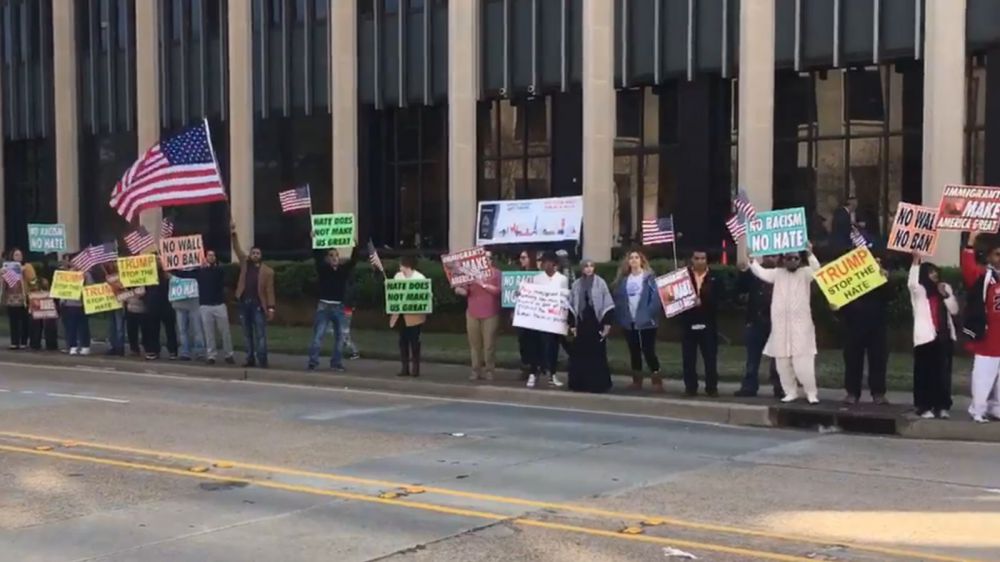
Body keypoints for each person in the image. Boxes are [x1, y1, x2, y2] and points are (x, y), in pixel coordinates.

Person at [750, 245, 821, 404]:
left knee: (804, 364)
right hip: (780, 327)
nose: (792, 261)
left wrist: (810, 253)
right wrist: (751, 260)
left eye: (796, 258)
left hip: (802, 327)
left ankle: (811, 393)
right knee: (782, 364)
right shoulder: (777, 274)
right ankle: (790, 392)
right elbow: (760, 272)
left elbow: (817, 270)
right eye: (789, 258)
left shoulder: (806, 273)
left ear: (800, 260)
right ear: (784, 260)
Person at [908, 255, 958, 419]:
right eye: (930, 273)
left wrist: (946, 295)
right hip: (925, 338)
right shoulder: (920, 291)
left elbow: (954, 310)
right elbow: (912, 283)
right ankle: (924, 406)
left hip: (944, 337)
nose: (934, 275)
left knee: (942, 374)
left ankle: (942, 406)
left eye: (935, 272)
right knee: (925, 373)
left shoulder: (944, 287)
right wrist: (915, 262)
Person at [837, 258, 891, 405]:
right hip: (853, 324)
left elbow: (889, 297)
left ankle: (878, 393)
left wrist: (883, 278)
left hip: (877, 324)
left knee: (878, 360)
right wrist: (836, 306)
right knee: (852, 359)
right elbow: (840, 299)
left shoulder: (880, 277)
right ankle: (852, 393)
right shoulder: (849, 278)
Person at [960, 231, 1000, 423]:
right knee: (984, 375)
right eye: (997, 255)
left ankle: (997, 409)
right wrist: (970, 244)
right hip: (988, 336)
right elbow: (968, 269)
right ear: (989, 256)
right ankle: (978, 409)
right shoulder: (985, 277)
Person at [734, 243, 782, 398]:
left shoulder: (784, 274)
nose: (770, 259)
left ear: (779, 257)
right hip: (756, 320)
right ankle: (749, 387)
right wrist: (744, 268)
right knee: (752, 359)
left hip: (778, 323)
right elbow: (740, 288)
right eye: (768, 255)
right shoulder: (754, 272)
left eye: (774, 256)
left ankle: (780, 387)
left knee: (779, 359)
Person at [612, 250, 662, 392]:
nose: (633, 260)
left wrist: (648, 314)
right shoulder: (624, 280)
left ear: (641, 261)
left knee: (648, 350)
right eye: (631, 258)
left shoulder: (649, 278)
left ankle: (656, 379)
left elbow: (655, 299)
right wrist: (622, 317)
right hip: (630, 321)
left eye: (636, 258)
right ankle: (637, 380)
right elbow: (620, 301)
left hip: (647, 321)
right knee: (634, 351)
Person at [676, 248, 723, 397]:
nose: (700, 261)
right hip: (689, 322)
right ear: (692, 259)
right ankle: (690, 387)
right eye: (697, 258)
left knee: (710, 357)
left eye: (703, 258)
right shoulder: (683, 277)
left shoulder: (715, 277)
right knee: (688, 358)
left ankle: (711, 387)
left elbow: (722, 299)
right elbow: (673, 298)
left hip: (708, 323)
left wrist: (705, 301)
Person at [307, 246, 359, 371]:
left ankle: (336, 362)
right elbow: (317, 257)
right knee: (319, 335)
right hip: (324, 306)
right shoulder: (323, 269)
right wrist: (315, 241)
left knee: (340, 337)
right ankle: (313, 361)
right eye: (331, 255)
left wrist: (355, 246)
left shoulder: (343, 270)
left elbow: (353, 261)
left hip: (339, 307)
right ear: (327, 258)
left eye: (336, 255)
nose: (334, 258)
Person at [232, 222, 276, 368]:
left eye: (258, 253)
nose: (255, 255)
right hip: (244, 303)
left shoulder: (268, 272)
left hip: (258, 306)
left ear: (261, 256)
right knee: (247, 334)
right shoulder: (245, 264)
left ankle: (262, 359)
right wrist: (234, 234)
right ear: (250, 255)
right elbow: (237, 249)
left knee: (260, 334)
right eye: (253, 253)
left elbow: (270, 291)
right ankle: (249, 358)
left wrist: (271, 308)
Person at [567, 259, 614, 393]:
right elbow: (570, 306)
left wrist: (607, 324)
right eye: (586, 266)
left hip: (595, 323)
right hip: (581, 324)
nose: (588, 269)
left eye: (591, 266)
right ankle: (579, 384)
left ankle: (598, 384)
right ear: (582, 269)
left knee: (596, 355)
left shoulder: (601, 283)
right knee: (579, 355)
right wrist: (572, 325)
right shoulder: (576, 284)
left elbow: (608, 304)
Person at [524, 252, 569, 389]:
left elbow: (564, 298)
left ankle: (552, 374)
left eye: (547, 262)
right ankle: (533, 373)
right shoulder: (537, 278)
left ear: (554, 264)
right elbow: (531, 294)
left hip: (554, 319)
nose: (544, 265)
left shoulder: (561, 279)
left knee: (553, 347)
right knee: (536, 346)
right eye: (543, 262)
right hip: (540, 319)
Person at [455, 254, 501, 381]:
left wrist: (482, 284)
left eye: (488, 258)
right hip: (472, 313)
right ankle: (476, 370)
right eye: (483, 258)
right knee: (474, 345)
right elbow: (466, 291)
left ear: (492, 260)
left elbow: (498, 291)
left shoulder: (496, 273)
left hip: (490, 313)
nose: (485, 260)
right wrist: (459, 289)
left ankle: (489, 370)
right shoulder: (471, 274)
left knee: (489, 344)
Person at [390, 256, 427, 377]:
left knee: (415, 342)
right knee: (403, 341)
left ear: (407, 266)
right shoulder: (398, 277)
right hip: (401, 315)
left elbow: (426, 295)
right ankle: (404, 368)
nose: (399, 267)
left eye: (401, 265)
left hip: (414, 315)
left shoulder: (419, 278)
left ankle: (415, 369)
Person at [142, 263, 179, 361]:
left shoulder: (170, 271)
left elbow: (179, 283)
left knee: (170, 329)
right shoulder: (148, 272)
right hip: (153, 303)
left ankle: (173, 351)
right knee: (153, 329)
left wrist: (171, 277)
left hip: (167, 303)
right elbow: (143, 287)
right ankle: (154, 351)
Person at [58, 253, 92, 356]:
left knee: (83, 326)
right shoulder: (67, 273)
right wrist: (62, 301)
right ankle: (72, 346)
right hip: (69, 304)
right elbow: (61, 288)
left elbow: (91, 287)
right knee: (71, 326)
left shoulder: (86, 274)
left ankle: (85, 346)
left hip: (82, 304)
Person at [3, 248, 34, 349]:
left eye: (20, 255)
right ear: (12, 256)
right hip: (11, 297)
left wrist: (24, 271)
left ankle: (24, 342)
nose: (18, 257)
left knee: (24, 320)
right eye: (16, 255)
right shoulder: (7, 267)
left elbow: (33, 280)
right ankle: (14, 342)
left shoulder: (27, 266)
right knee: (13, 320)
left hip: (23, 297)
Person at [515, 250, 538, 379]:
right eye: (520, 258)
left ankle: (534, 367)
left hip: (533, 314)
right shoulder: (517, 275)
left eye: (524, 257)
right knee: (522, 340)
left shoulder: (537, 275)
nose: (521, 260)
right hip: (521, 313)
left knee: (532, 341)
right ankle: (525, 366)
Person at [101, 262, 127, 356]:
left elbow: (125, 288)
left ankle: (120, 348)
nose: (111, 265)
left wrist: (117, 286)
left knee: (119, 327)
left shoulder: (122, 275)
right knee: (111, 326)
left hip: (119, 303)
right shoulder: (105, 275)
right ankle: (112, 347)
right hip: (109, 303)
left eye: (113, 263)